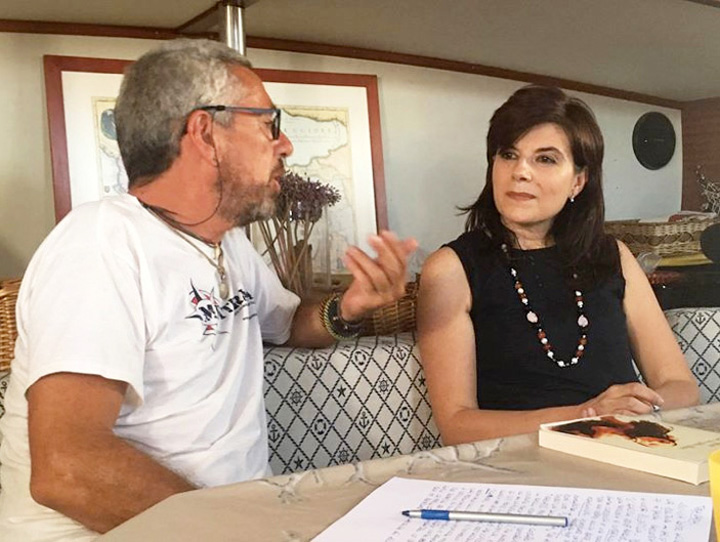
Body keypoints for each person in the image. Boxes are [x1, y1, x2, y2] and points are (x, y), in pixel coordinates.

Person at [0, 39, 416, 541]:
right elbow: (69, 469)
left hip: (231, 523)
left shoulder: (228, 244)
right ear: (204, 132)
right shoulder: (100, 243)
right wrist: (238, 531)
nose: (285, 145)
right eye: (269, 124)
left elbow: (288, 325)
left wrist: (348, 308)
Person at [417, 85, 698, 446]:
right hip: (521, 463)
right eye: (508, 154)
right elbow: (457, 425)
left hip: (626, 448)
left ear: (578, 181)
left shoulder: (614, 256)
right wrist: (586, 416)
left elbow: (681, 387)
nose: (520, 171)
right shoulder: (451, 269)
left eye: (545, 159)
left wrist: (637, 410)